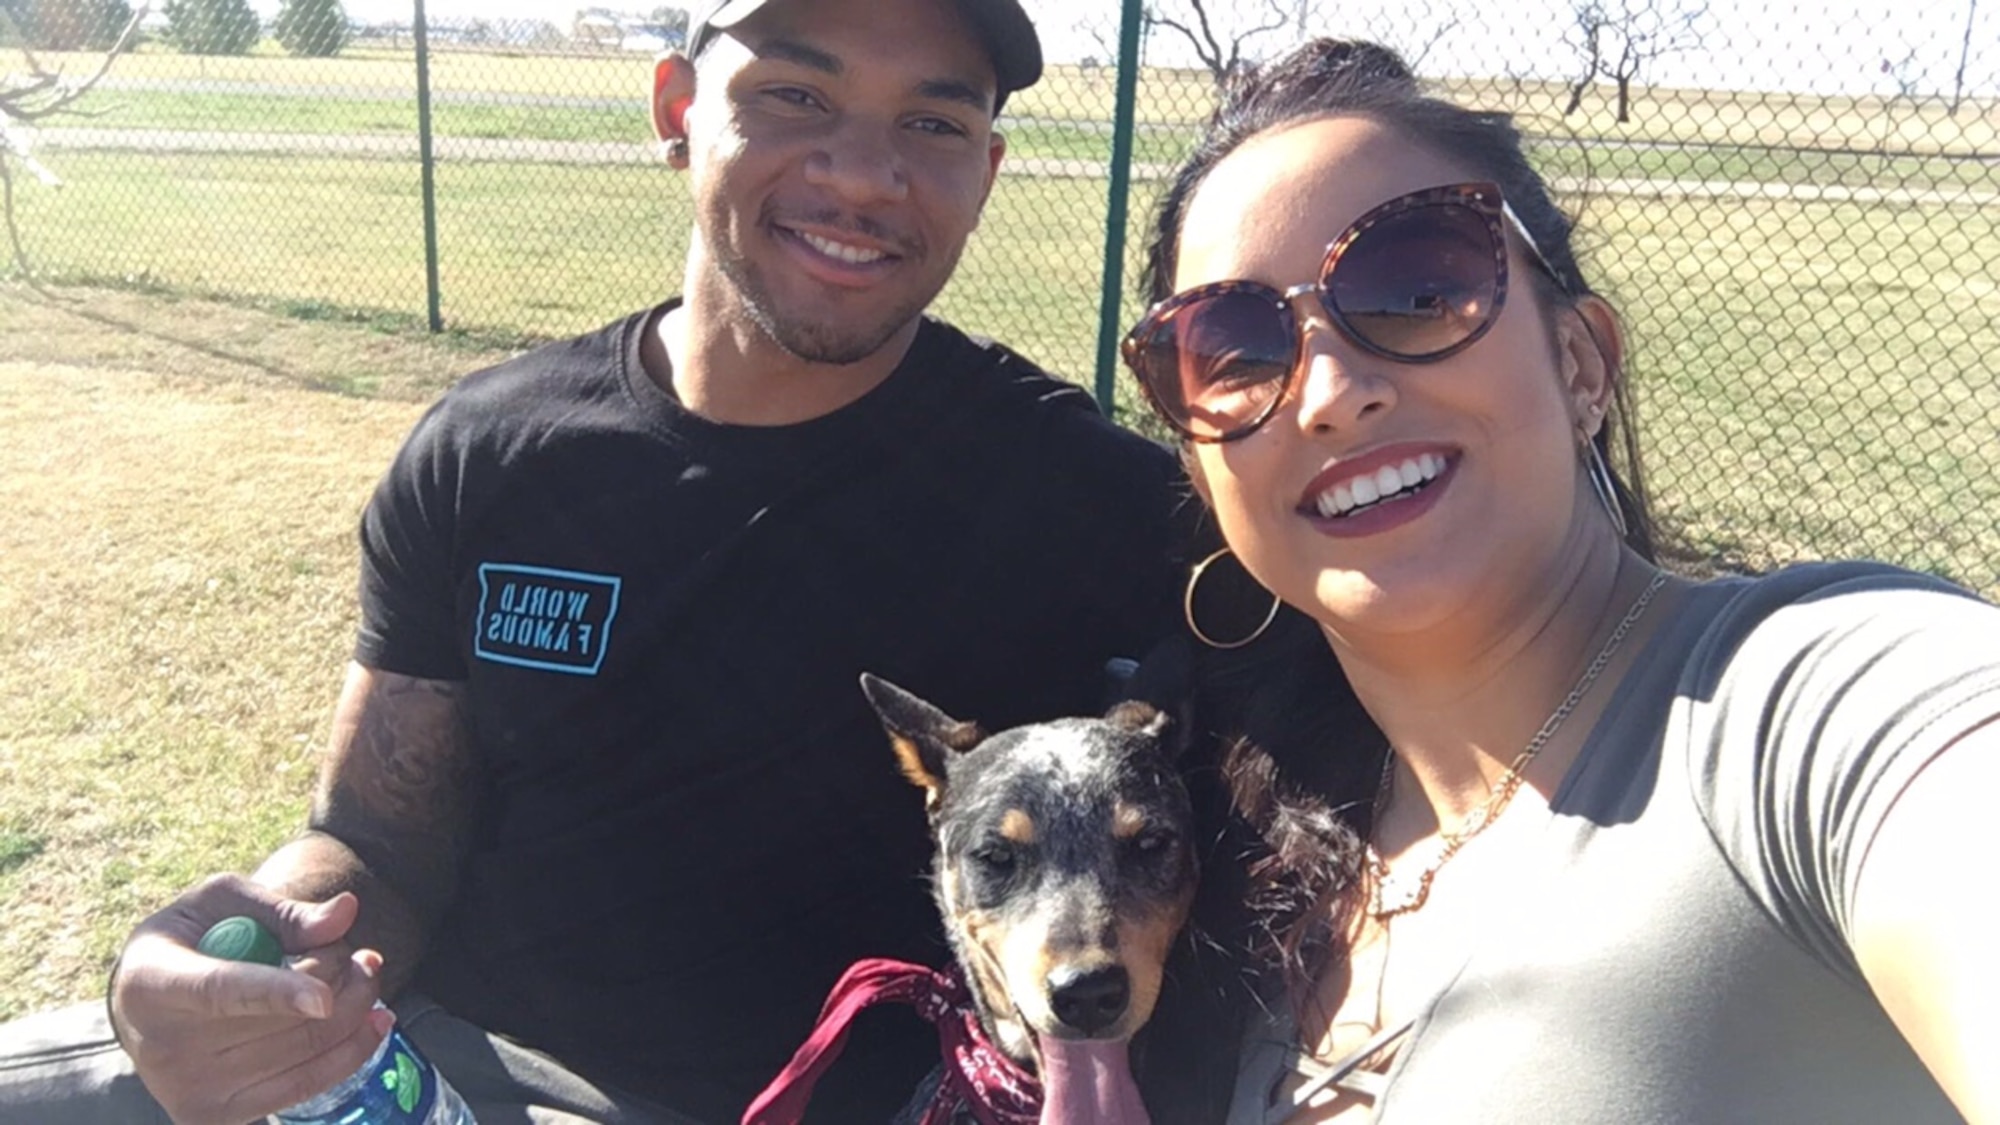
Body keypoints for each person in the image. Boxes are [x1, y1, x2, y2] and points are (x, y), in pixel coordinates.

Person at [0, 1, 1193, 1121]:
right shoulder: (488, 454)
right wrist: (256, 956)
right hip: (459, 1071)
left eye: (931, 123)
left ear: (984, 174)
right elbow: (378, 840)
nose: (860, 174)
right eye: (794, 95)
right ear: (675, 111)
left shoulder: (1093, 492)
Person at [1119, 40, 2000, 1125]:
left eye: (1415, 286)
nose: (1330, 395)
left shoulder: (1804, 713)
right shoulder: (1250, 855)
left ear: (1579, 363)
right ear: (1205, 479)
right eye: (1234, 350)